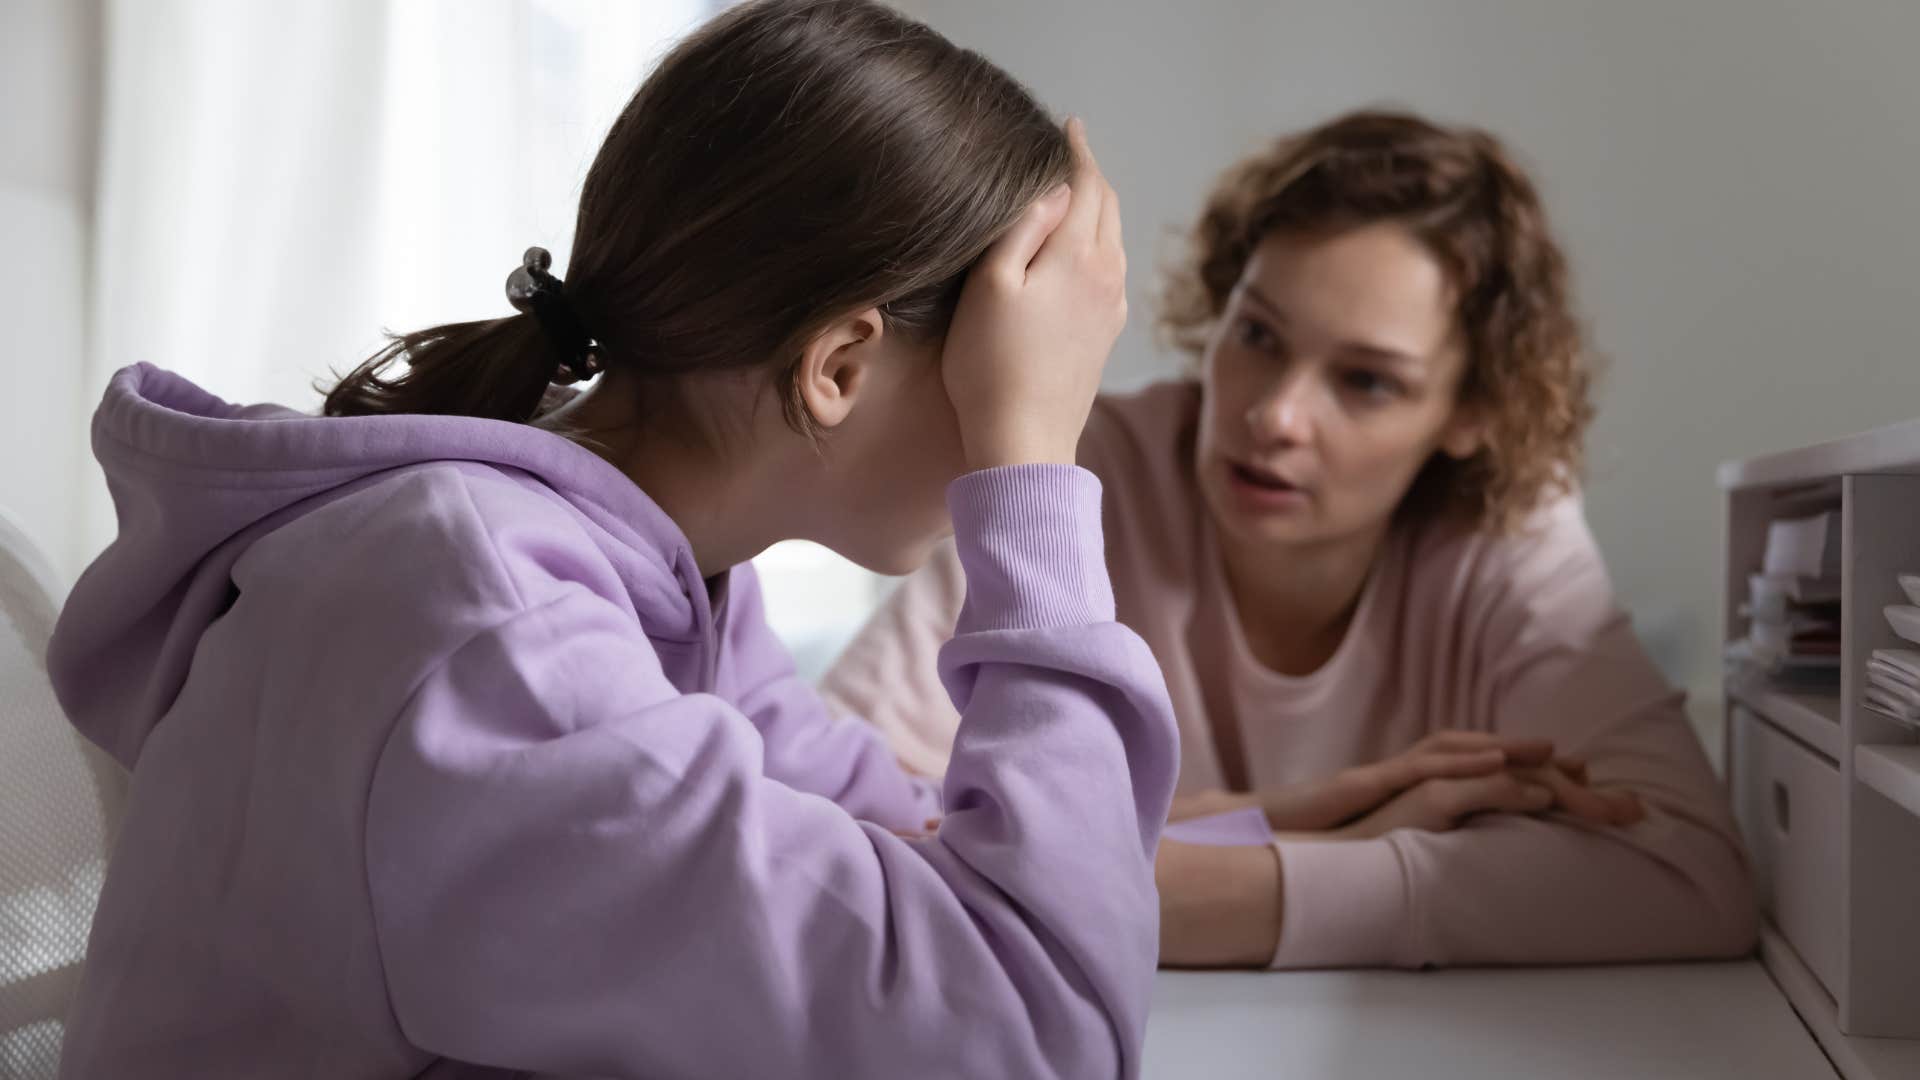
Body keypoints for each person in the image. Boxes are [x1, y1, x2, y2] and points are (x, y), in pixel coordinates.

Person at [46, 2, 1176, 1075]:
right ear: (838, 366)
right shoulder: (501, 629)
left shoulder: (651, 574)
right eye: (1008, 373)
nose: (1035, 414)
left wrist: (1258, 870)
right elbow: (1037, 1032)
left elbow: (901, 831)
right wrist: (1032, 467)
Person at [823, 110, 1758, 970]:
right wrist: (1329, 843)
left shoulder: (1505, 524)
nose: (1275, 415)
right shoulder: (1076, 466)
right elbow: (835, 830)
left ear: (1471, 411)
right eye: (1260, 336)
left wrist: (1193, 894)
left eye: (1367, 382)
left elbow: (1691, 876)